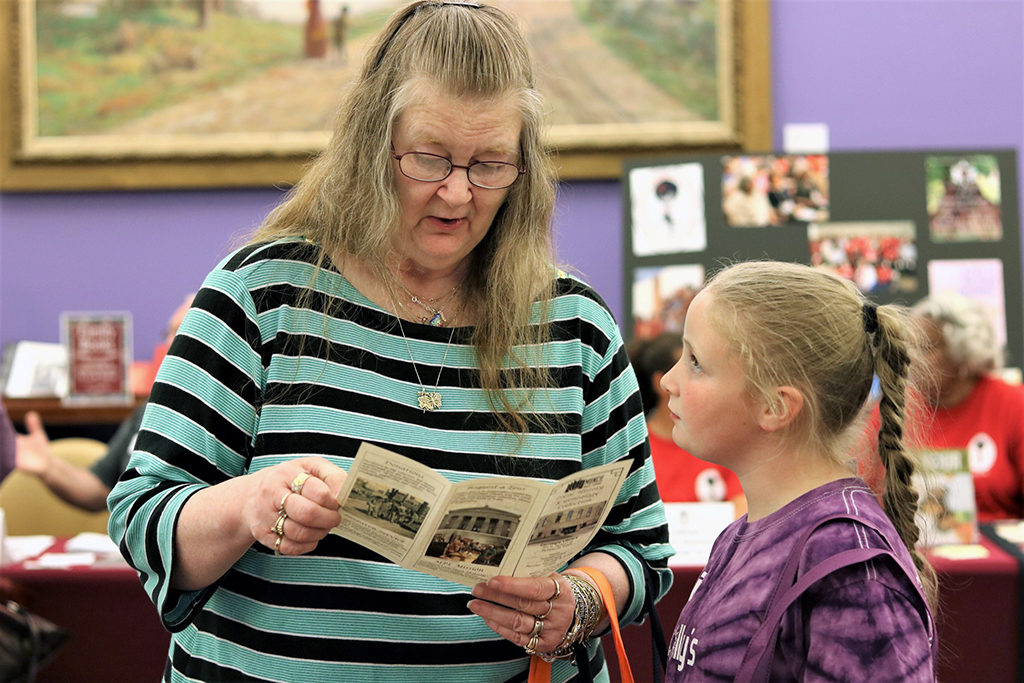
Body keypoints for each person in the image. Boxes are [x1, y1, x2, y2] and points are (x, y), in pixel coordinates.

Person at [106, 3, 672, 682]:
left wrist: (578, 600)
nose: (458, 193)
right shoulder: (262, 296)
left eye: (491, 163)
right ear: (373, 143)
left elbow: (639, 548)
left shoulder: (574, 327)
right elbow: (142, 517)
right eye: (429, 158)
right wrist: (249, 505)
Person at [659, 261, 936, 680]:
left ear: (775, 406)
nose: (669, 382)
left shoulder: (850, 567)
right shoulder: (743, 533)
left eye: (696, 362)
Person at [12, 293, 194, 512]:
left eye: (183, 331)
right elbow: (99, 489)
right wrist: (49, 467)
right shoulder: (148, 410)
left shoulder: (226, 416)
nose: (170, 343)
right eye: (169, 333)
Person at [871, 293, 1024, 522]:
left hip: (1000, 549)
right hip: (912, 547)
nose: (911, 359)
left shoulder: (1012, 403)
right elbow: (864, 489)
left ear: (963, 353)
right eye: (909, 347)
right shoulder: (892, 407)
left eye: (925, 348)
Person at [629, 332, 746, 512]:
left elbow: (744, 509)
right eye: (694, 369)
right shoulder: (633, 448)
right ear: (662, 382)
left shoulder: (722, 442)